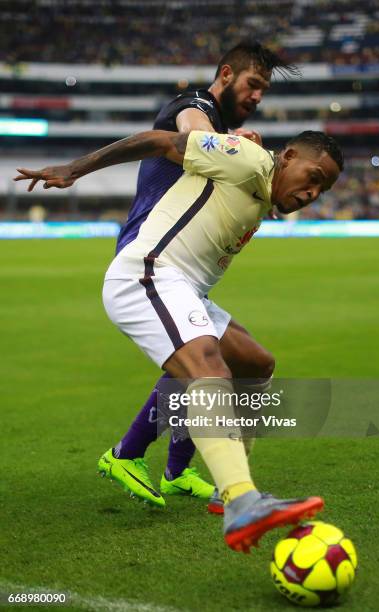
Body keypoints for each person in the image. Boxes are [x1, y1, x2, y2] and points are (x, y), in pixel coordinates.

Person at [14, 125, 343, 552]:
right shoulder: (248, 159)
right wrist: (75, 168)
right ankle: (243, 500)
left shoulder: (260, 181)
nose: (313, 193)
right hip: (146, 276)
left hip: (186, 290)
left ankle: (234, 491)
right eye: (313, 177)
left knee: (256, 364)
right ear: (289, 156)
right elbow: (159, 140)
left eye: (324, 189)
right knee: (210, 369)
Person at [84, 40, 298, 512]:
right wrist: (235, 145)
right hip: (153, 257)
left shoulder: (229, 134)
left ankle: (177, 471)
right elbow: (190, 131)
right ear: (225, 74)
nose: (258, 96)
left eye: (264, 89)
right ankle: (130, 455)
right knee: (202, 362)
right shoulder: (196, 105)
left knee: (245, 360)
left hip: (183, 270)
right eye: (253, 84)